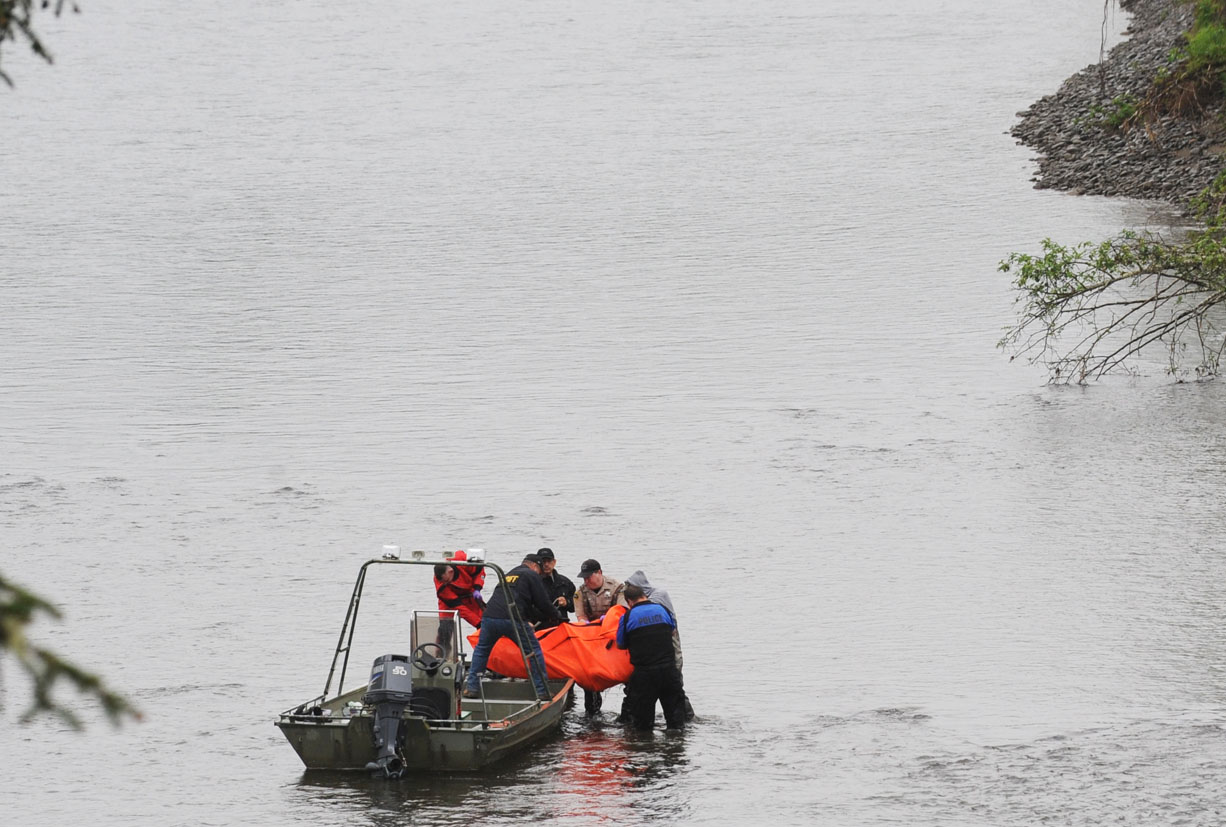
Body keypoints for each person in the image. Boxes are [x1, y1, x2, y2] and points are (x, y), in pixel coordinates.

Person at [463, 553, 559, 701]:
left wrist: (528, 617)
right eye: (539, 571)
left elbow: (515, 599)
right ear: (534, 566)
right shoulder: (531, 574)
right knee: (534, 652)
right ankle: (542, 690)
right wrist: (556, 615)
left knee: (481, 651)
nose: (539, 575)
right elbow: (542, 602)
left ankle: (472, 688)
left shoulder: (508, 575)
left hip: (489, 617)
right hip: (512, 619)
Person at [622, 570, 694, 722]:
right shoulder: (649, 605)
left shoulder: (658, 596)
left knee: (674, 681)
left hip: (669, 639)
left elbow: (622, 642)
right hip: (658, 646)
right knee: (670, 688)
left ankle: (687, 715)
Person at [573, 558, 626, 714]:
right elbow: (580, 616)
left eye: (589, 576)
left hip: (614, 636)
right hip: (592, 637)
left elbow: (622, 611)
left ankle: (627, 712)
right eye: (584, 577)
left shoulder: (617, 587)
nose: (586, 580)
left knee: (627, 677)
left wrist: (607, 621)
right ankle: (592, 710)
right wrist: (588, 626)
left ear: (600, 573)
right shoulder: (580, 592)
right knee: (588, 678)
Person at [536, 548, 575, 628]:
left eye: (549, 561)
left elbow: (576, 606)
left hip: (561, 626)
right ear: (537, 564)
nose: (546, 564)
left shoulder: (565, 582)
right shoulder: (532, 582)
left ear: (554, 562)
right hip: (539, 627)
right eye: (543, 561)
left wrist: (567, 602)